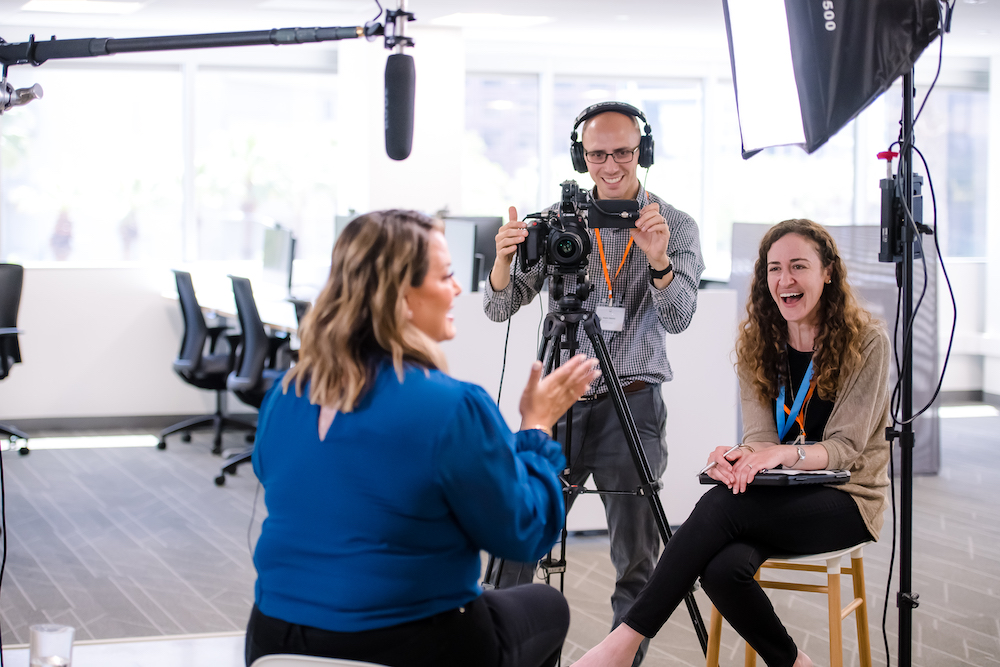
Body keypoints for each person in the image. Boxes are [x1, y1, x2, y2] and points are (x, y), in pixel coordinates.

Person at [244, 210, 601, 667]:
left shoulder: (286, 391)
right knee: (547, 606)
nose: (456, 289)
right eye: (447, 275)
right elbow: (527, 534)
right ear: (403, 296)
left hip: (273, 640)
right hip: (410, 643)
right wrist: (536, 425)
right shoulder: (452, 406)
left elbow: (285, 476)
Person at [572, 219, 891, 667]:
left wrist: (781, 454)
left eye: (799, 266)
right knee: (721, 570)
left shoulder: (867, 342)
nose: (785, 280)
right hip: (781, 494)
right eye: (774, 268)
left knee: (721, 507)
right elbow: (760, 437)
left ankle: (621, 645)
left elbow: (845, 449)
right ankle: (795, 664)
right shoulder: (761, 341)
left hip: (847, 497)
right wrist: (743, 455)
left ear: (828, 273)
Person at [483, 101, 705, 666]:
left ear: (643, 153)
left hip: (634, 403)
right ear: (581, 156)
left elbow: (679, 317)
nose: (610, 164)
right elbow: (498, 307)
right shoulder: (557, 221)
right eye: (597, 153)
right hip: (561, 403)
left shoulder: (673, 226)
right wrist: (503, 262)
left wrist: (659, 263)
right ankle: (507, 655)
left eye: (623, 152)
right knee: (518, 536)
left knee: (637, 559)